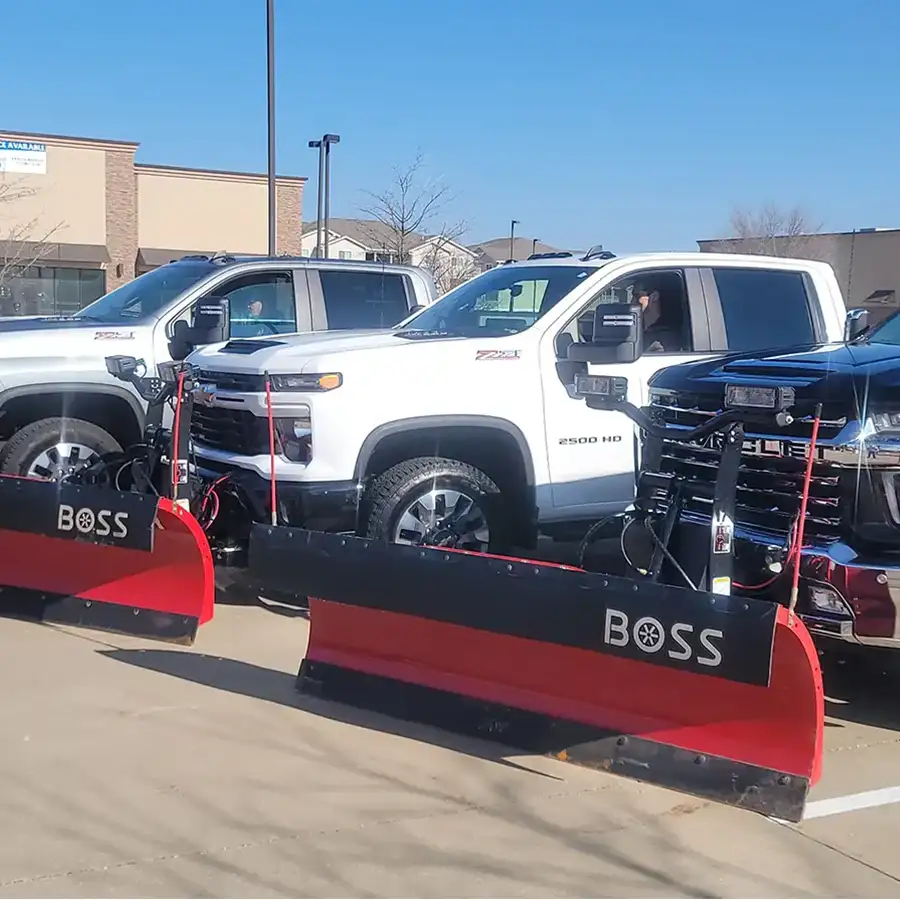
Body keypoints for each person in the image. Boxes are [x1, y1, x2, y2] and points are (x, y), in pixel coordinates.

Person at [633, 283, 683, 352]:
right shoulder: (643, 330)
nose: (633, 301)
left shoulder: (663, 339)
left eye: (637, 295)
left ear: (654, 297)